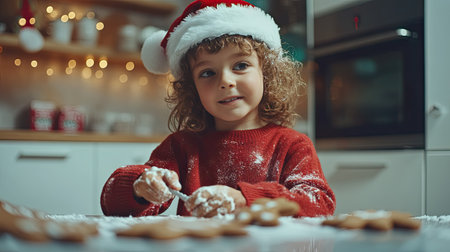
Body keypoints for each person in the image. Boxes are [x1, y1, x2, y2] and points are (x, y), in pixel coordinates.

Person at [101, 0, 335, 218]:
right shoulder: (182, 147)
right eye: (207, 73)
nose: (225, 81)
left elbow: (319, 203)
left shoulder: (292, 145)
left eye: (240, 65)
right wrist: (141, 186)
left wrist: (245, 199)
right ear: (193, 89)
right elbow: (113, 203)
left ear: (267, 73)